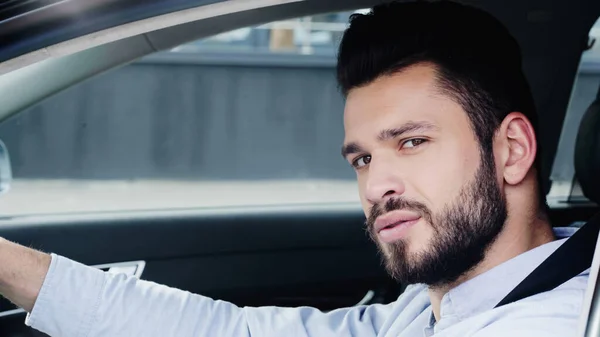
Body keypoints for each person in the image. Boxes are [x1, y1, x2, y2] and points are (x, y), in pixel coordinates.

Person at [0, 1, 589, 336]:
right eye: (362, 158)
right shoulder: (439, 305)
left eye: (410, 142)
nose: (375, 186)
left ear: (511, 150)